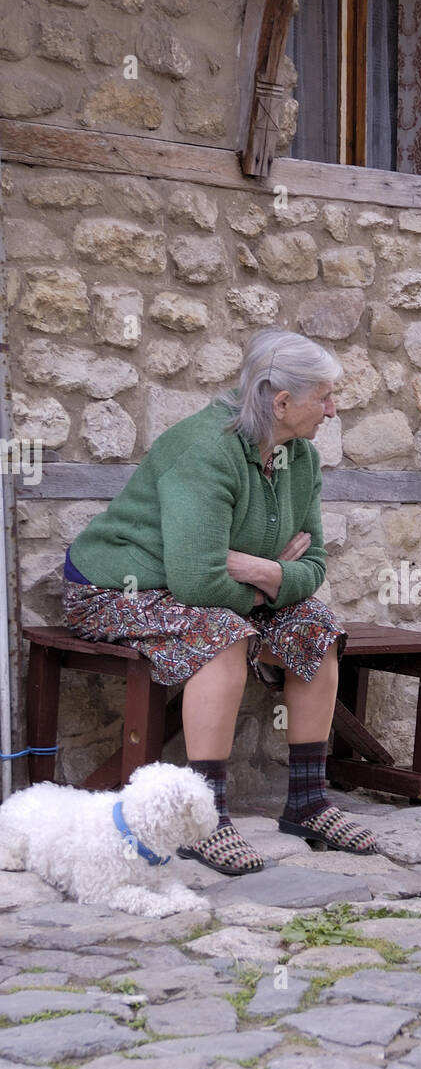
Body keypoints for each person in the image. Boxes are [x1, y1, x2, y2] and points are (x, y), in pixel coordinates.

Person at [63, 328, 377, 875]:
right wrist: (273, 575)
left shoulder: (299, 458)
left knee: (316, 627)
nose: (331, 410)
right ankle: (204, 819)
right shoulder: (204, 449)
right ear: (282, 401)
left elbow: (315, 564)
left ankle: (308, 801)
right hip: (113, 590)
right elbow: (198, 585)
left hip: (212, 590)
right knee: (223, 634)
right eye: (324, 397)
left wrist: (258, 568)